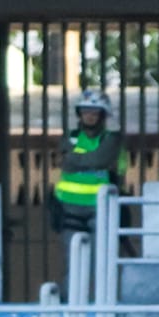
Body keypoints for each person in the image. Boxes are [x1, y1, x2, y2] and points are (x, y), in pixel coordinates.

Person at [51, 90, 127, 251]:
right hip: (68, 207)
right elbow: (63, 162)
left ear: (103, 115)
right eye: (85, 111)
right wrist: (90, 160)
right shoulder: (70, 136)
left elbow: (99, 160)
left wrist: (74, 159)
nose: (89, 116)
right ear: (79, 113)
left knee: (99, 258)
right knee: (73, 259)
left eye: (95, 112)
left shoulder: (111, 139)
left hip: (100, 207)